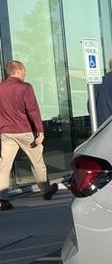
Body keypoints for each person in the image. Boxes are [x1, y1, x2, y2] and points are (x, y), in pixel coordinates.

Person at [0, 60, 58, 210]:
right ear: (19, 70)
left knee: (4, 165)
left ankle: (2, 199)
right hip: (25, 131)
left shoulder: (1, 88)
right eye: (24, 70)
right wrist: (40, 130)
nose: (25, 73)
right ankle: (46, 190)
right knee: (37, 161)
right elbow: (32, 110)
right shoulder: (25, 87)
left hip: (6, 132)